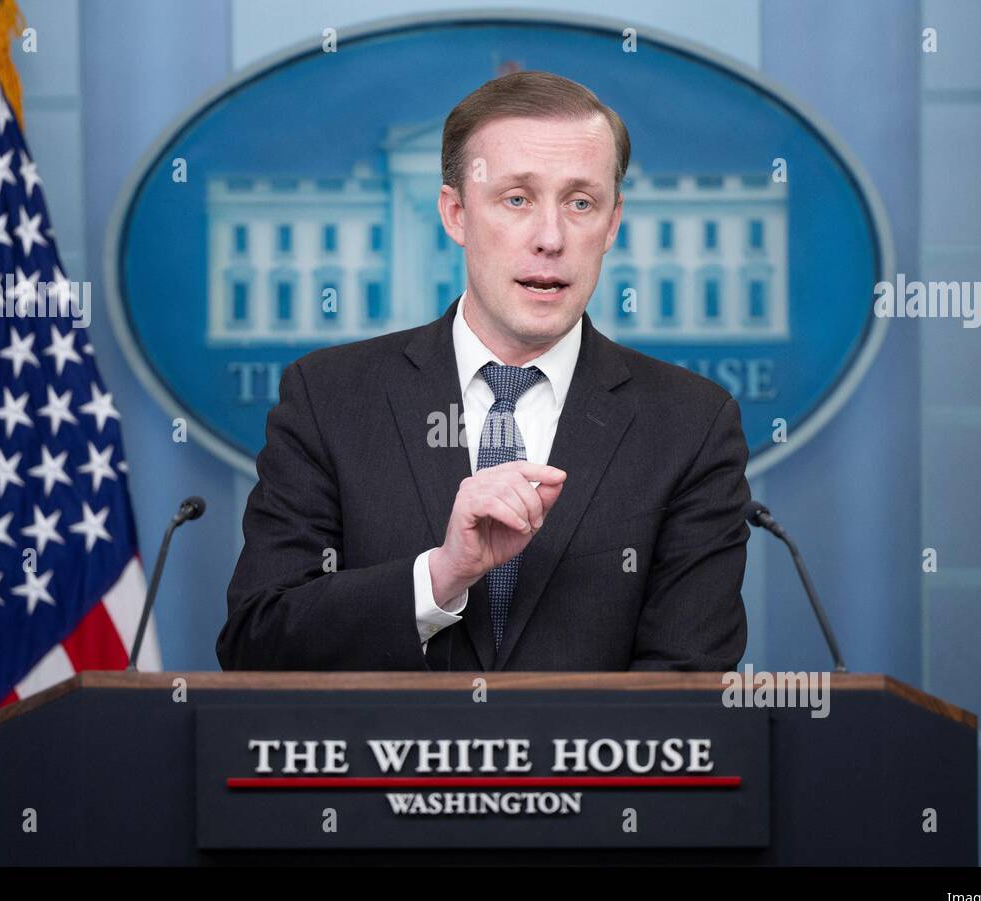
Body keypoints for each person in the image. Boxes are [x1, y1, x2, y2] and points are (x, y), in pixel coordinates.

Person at [217, 70, 752, 672]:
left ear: (612, 224)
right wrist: (440, 578)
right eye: (517, 199)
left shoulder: (691, 423)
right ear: (455, 214)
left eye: (581, 202)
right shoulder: (328, 398)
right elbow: (256, 644)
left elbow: (688, 683)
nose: (551, 238)